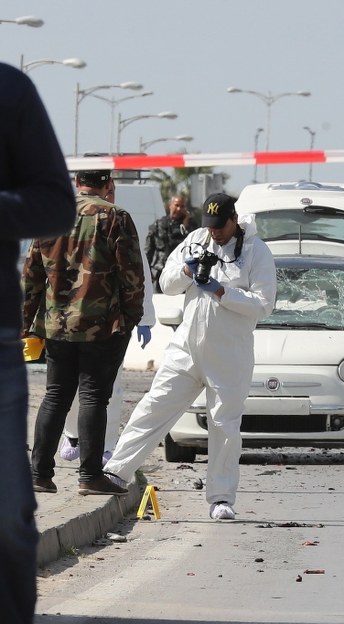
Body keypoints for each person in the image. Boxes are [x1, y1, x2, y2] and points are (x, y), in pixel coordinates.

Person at [103, 193, 276, 520]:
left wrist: (221, 290)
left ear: (234, 219)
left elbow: (264, 303)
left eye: (220, 226)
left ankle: (221, 498)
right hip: (187, 347)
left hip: (229, 354)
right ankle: (116, 472)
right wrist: (187, 269)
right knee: (154, 405)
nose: (215, 233)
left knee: (224, 426)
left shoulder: (256, 251)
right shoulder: (197, 238)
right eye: (209, 227)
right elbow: (165, 284)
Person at [1, 62, 75, 624]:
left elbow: (55, 204)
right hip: (53, 326)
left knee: (6, 517)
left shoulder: (9, 91)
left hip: (6, 344)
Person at [23, 166, 145, 498]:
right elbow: (131, 274)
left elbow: (32, 274)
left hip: (57, 325)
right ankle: (90, 476)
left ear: (77, 183)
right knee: (93, 396)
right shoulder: (116, 217)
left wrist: (25, 321)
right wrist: (131, 318)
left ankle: (40, 474)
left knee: (55, 396)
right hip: (102, 326)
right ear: (108, 183)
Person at [58, 183, 158, 465]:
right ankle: (73, 434)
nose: (108, 197)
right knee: (72, 385)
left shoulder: (122, 224)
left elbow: (141, 275)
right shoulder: (67, 223)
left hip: (111, 323)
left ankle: (105, 445)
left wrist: (144, 319)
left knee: (110, 388)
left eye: (112, 192)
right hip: (73, 321)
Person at [146, 194, 198, 292]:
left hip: (184, 274)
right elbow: (148, 251)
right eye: (176, 205)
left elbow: (195, 247)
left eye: (182, 206)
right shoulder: (158, 225)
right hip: (162, 272)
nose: (179, 209)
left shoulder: (191, 226)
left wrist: (186, 225)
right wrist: (148, 272)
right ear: (170, 205)